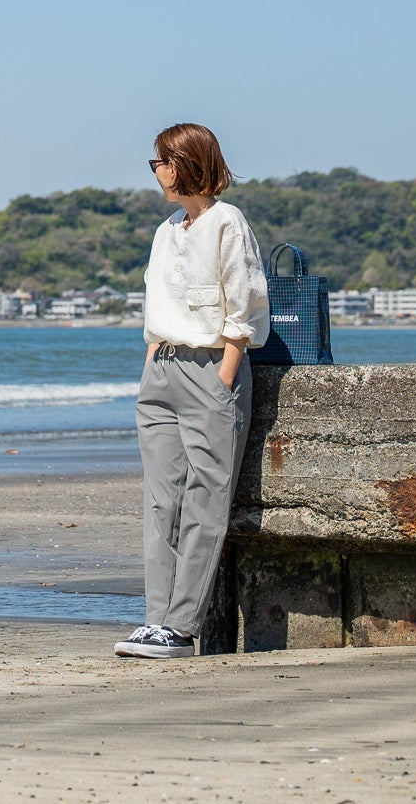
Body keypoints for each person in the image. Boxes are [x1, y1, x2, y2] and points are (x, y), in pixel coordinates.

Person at [116, 122, 269, 660]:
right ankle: (156, 619)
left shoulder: (228, 222)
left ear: (182, 162)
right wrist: (153, 357)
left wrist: (226, 370)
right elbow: (158, 304)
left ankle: (181, 628)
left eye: (159, 161)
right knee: (162, 501)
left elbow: (245, 300)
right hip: (161, 371)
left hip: (210, 369)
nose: (155, 171)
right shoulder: (165, 231)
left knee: (207, 497)